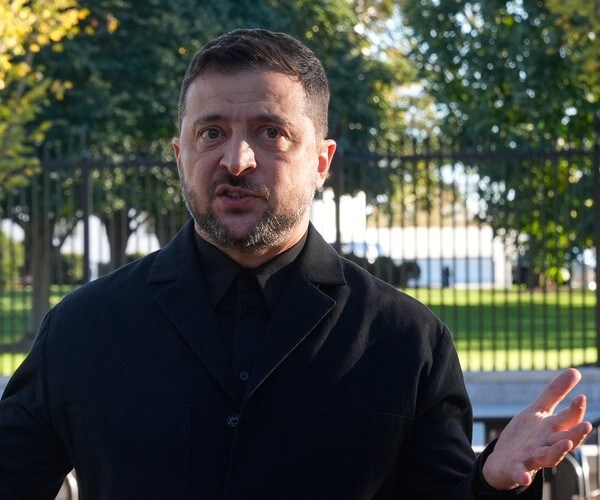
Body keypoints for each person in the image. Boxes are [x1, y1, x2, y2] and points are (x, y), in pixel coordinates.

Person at [0, 28, 591, 499]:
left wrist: (490, 484)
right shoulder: (83, 329)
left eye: (271, 133)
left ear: (322, 161)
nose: (236, 160)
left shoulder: (406, 340)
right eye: (211, 133)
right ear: (180, 156)